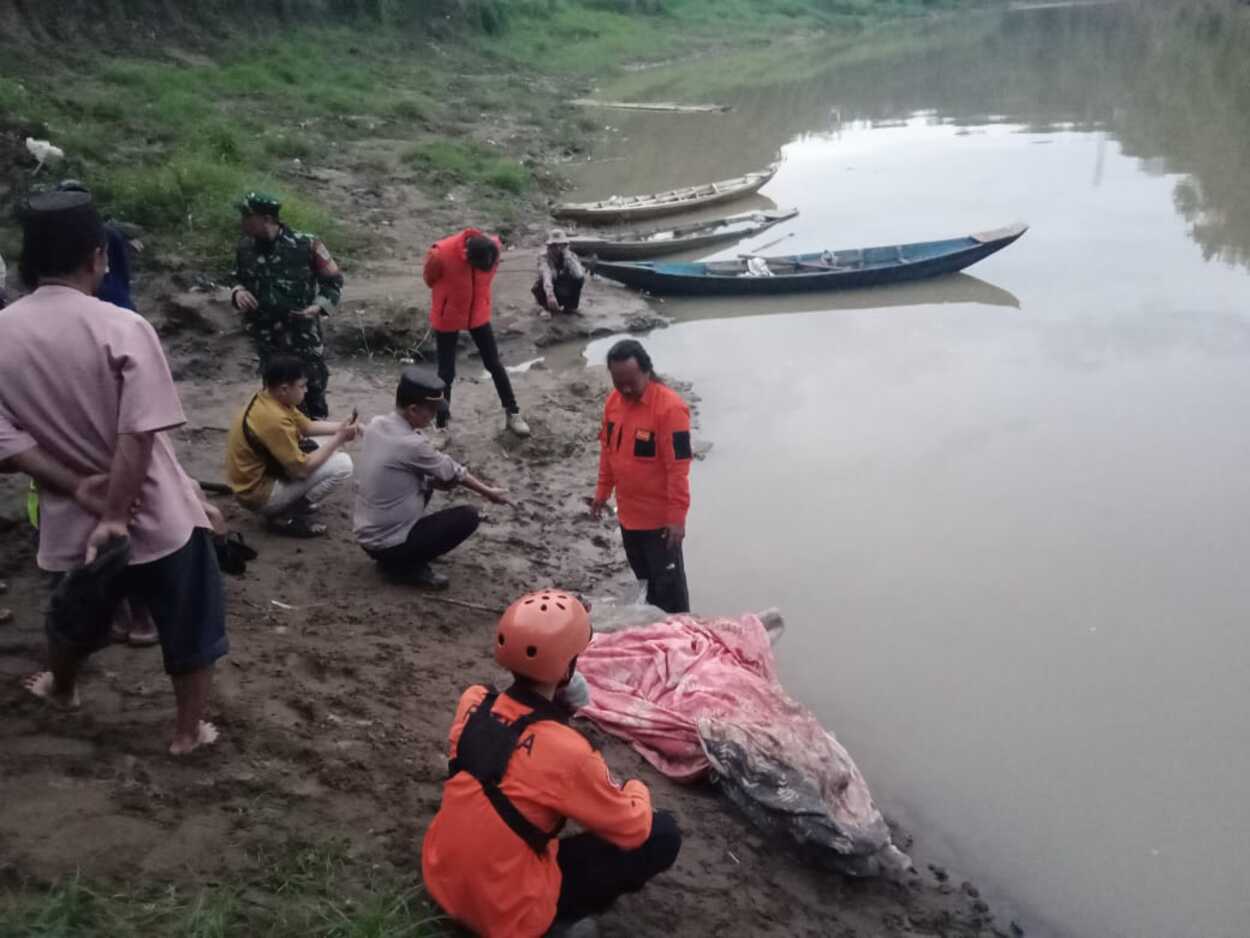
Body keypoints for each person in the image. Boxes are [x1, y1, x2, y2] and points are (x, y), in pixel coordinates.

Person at [0, 190, 227, 755]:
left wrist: (79, 488)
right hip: (155, 514)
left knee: (73, 618)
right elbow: (140, 432)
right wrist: (115, 515)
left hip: (69, 516)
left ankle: (63, 688)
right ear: (98, 256)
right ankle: (186, 732)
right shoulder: (122, 327)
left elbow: (6, 442)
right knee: (189, 624)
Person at [422, 590, 681, 938]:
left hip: (441, 877)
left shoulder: (474, 701)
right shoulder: (569, 752)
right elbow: (632, 827)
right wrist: (636, 788)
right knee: (662, 833)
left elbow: (516, 747)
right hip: (504, 913)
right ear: (568, 668)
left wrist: (558, 714)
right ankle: (552, 924)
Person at [353, 366, 510, 589]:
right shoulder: (411, 445)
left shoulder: (377, 423)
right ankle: (406, 566)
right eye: (432, 411)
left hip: (368, 534)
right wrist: (489, 492)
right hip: (386, 544)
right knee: (469, 516)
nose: (434, 416)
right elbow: (454, 470)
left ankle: (400, 556)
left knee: (430, 481)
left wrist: (435, 482)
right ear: (413, 410)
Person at [591, 340, 693, 614]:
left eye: (630, 382)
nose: (624, 389)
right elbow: (608, 451)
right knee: (645, 585)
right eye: (617, 381)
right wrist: (602, 492)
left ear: (647, 371)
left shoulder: (670, 409)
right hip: (629, 517)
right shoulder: (614, 403)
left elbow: (678, 470)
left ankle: (680, 640)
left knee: (670, 593)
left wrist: (676, 519)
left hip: (660, 524)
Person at [230, 191, 343, 420]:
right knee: (275, 396)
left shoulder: (307, 244)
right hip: (267, 338)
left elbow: (333, 281)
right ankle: (282, 443)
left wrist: (319, 306)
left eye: (247, 216)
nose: (242, 222)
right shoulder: (245, 248)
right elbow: (236, 277)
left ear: (267, 219)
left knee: (311, 390)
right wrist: (237, 291)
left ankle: (317, 441)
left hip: (302, 336)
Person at [225, 356, 358, 538]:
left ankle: (289, 503)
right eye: (302, 386)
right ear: (284, 389)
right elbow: (301, 470)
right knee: (343, 464)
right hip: (259, 495)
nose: (306, 390)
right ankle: (286, 514)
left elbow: (307, 427)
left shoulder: (269, 398)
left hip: (261, 477)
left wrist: (342, 427)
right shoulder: (274, 419)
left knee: (327, 446)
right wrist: (339, 438)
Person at [423, 227, 531, 437]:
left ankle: (513, 413)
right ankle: (442, 426)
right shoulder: (440, 254)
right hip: (448, 316)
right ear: (467, 257)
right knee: (446, 373)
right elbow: (429, 280)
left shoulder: (493, 249)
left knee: (494, 364)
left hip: (478, 313)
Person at [532, 229, 585, 317]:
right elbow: (546, 274)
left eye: (560, 245)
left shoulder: (571, 256)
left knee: (579, 279)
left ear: (565, 245)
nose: (557, 248)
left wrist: (567, 257)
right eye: (554, 245)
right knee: (540, 282)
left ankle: (570, 307)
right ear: (549, 246)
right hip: (550, 286)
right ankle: (545, 307)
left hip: (563, 287)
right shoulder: (543, 257)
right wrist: (550, 295)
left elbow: (579, 274)